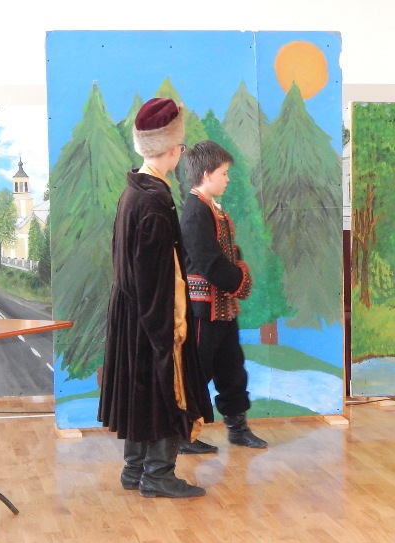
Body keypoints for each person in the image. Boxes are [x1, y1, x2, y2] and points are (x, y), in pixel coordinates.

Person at [98, 97, 214, 498]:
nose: (181, 152)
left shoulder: (134, 190)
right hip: (154, 314)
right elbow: (158, 274)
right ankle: (158, 475)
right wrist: (170, 329)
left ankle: (135, 469)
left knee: (141, 391)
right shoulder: (155, 200)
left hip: (133, 312)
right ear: (172, 150)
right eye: (180, 146)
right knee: (165, 389)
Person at [178, 139, 268, 454]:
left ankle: (237, 428)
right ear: (207, 174)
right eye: (224, 173)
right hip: (203, 309)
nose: (228, 179)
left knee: (232, 367)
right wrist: (239, 280)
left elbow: (226, 251)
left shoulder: (210, 206)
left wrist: (235, 272)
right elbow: (207, 261)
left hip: (223, 307)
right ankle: (183, 434)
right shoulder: (195, 211)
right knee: (197, 370)